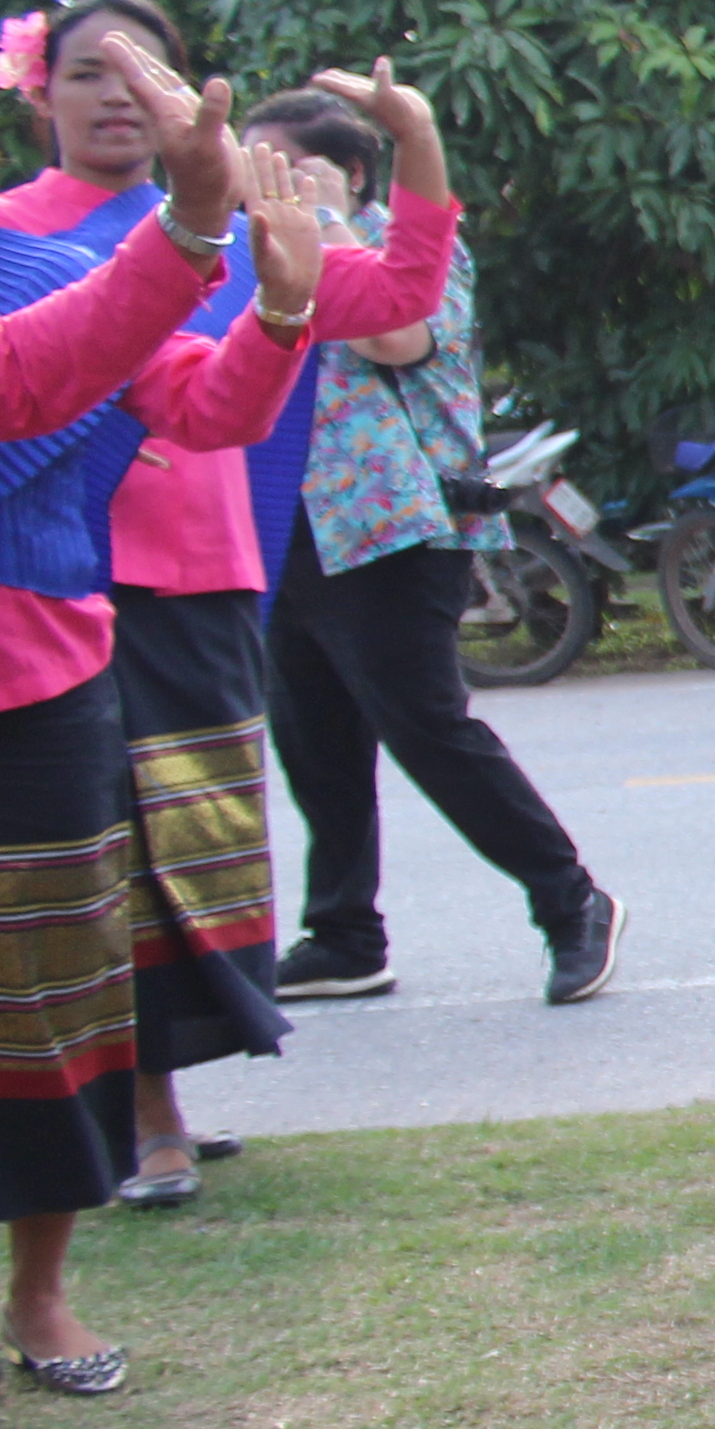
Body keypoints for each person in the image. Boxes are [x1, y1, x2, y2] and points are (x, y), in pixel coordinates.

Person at [0, 3, 485, 1203]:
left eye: (140, 72)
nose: (115, 97)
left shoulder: (251, 224)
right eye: (83, 73)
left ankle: (146, 1106)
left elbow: (393, 297)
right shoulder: (14, 240)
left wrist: (412, 145)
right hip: (59, 593)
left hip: (209, 571)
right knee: (80, 867)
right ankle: (131, 1120)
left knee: (183, 859)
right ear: (33, 92)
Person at [0, 18, 311, 1392]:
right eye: (91, 78)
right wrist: (192, 227)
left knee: (59, 991)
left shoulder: (51, 264)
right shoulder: (56, 259)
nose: (118, 104)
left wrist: (284, 311)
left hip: (47, 672)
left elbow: (208, 408)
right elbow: (24, 381)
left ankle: (43, 1293)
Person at [249, 90, 620, 1020]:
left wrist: (323, 228)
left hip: (395, 524)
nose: (260, 185)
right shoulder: (249, 261)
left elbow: (395, 336)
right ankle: (344, 935)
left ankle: (571, 900)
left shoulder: (410, 247)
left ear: (354, 175)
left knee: (425, 727)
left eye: (282, 165)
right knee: (312, 737)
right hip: (279, 524)